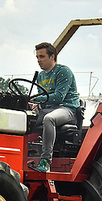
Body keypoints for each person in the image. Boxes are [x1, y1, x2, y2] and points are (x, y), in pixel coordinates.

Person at [30, 42, 80, 172]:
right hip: (48, 108)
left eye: (42, 57)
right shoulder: (40, 76)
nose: (39, 60)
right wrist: (34, 104)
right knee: (25, 118)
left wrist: (36, 98)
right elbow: (42, 99)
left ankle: (46, 160)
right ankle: (26, 154)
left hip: (67, 109)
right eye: (37, 57)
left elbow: (59, 97)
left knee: (49, 119)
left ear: (52, 57)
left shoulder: (63, 71)